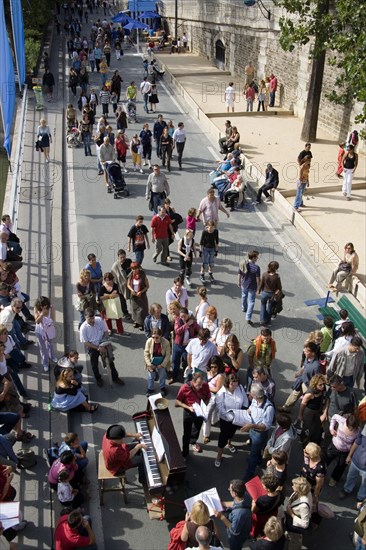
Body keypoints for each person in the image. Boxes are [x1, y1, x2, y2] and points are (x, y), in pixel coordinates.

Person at [79, 308, 124, 387]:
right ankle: (98, 378)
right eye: (90, 319)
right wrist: (98, 348)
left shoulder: (99, 320)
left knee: (110, 362)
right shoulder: (83, 328)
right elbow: (86, 342)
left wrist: (103, 343)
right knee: (94, 364)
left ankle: (115, 377)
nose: (92, 320)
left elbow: (106, 332)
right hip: (92, 346)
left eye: (93, 318)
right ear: (85, 317)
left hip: (102, 342)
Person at [241, 383, 275, 481]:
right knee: (255, 448)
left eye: (251, 393)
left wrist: (252, 425)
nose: (249, 395)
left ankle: (249, 474)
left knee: (253, 454)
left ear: (256, 395)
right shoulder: (255, 400)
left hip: (259, 433)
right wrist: (244, 414)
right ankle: (259, 460)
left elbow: (266, 426)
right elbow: (251, 409)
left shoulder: (268, 408)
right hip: (252, 430)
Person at [214, 374, 249, 467]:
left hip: (237, 418)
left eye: (236, 384)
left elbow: (245, 400)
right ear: (227, 384)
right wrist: (232, 418)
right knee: (223, 437)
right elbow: (220, 409)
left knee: (232, 433)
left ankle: (229, 444)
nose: (234, 387)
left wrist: (243, 413)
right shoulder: (221, 393)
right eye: (232, 385)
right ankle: (219, 456)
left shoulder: (240, 388)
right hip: (226, 420)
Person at [175, 372, 211, 456]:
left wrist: (204, 405)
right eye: (198, 385)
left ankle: (193, 442)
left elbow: (208, 397)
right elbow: (177, 402)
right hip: (189, 412)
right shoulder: (185, 387)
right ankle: (185, 452)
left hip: (200, 412)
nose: (201, 387)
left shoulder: (205, 385)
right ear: (193, 382)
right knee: (187, 433)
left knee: (197, 429)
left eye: (202, 384)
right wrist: (188, 407)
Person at [279, 341, 321, 412]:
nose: (304, 351)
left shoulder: (316, 366)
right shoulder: (307, 358)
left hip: (309, 386)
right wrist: (299, 373)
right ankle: (286, 408)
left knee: (308, 402)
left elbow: (318, 379)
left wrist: (315, 391)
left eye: (306, 351)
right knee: (294, 394)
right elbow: (304, 367)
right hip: (302, 381)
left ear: (313, 353)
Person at [214, 479, 252, 550]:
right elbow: (235, 504)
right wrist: (222, 503)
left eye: (230, 489)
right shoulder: (245, 495)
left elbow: (234, 531)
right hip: (244, 525)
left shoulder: (239, 515)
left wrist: (221, 517)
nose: (229, 490)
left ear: (235, 494)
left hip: (237, 537)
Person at [325, 413, 360, 487]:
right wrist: (331, 428)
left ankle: (334, 478)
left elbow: (355, 444)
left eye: (353, 428)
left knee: (341, 466)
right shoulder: (342, 420)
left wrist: (350, 456)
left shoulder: (358, 431)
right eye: (350, 427)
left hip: (345, 452)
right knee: (326, 460)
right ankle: (321, 474)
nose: (351, 429)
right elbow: (334, 416)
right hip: (334, 446)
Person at [171, 307, 200, 384]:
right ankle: (174, 377)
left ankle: (185, 378)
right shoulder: (178, 321)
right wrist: (186, 325)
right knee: (175, 361)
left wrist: (194, 338)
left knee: (186, 363)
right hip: (178, 345)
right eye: (181, 316)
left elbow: (199, 331)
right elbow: (177, 331)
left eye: (185, 316)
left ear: (188, 315)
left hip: (187, 346)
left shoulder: (193, 323)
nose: (183, 318)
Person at [297, 374, 327, 446]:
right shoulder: (310, 393)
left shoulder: (322, 390)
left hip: (318, 412)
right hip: (309, 413)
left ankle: (314, 443)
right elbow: (303, 404)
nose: (322, 386)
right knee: (307, 428)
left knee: (316, 429)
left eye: (323, 384)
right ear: (315, 384)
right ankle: (304, 443)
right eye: (320, 385)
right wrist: (300, 415)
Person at [339, 424, 366, 505]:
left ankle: (361, 496)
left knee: (365, 483)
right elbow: (357, 442)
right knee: (350, 476)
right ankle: (347, 489)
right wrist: (349, 455)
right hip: (355, 461)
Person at [250, 474, 283, 539]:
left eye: (263, 485)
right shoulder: (281, 495)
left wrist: (253, 501)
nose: (262, 485)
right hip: (272, 513)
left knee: (256, 528)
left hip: (261, 517)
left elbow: (253, 510)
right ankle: (264, 534)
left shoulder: (262, 500)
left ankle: (254, 536)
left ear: (267, 489)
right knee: (267, 526)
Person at [202, 356, 226, 443]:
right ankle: (213, 421)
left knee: (207, 414)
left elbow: (217, 389)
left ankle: (206, 434)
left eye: (215, 367)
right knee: (209, 412)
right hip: (205, 394)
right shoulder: (207, 372)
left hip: (214, 396)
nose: (213, 369)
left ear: (219, 366)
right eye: (211, 366)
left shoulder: (220, 376)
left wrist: (205, 387)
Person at [144, 328, 171, 397]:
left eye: (157, 337)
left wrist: (162, 365)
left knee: (162, 375)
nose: (155, 339)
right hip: (152, 362)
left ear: (161, 336)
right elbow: (146, 354)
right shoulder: (149, 341)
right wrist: (149, 365)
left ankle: (162, 387)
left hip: (161, 362)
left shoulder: (166, 342)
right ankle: (150, 388)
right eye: (153, 337)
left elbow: (168, 355)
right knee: (151, 376)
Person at [34, 296, 57, 372]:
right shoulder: (36, 308)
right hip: (40, 330)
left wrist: (47, 319)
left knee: (50, 343)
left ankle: (52, 356)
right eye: (42, 305)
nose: (44, 306)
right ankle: (45, 363)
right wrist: (42, 315)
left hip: (49, 329)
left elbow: (53, 319)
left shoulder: (51, 307)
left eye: (45, 305)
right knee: (43, 348)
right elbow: (37, 321)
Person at [238, 250, 260, 325]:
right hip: (252, 286)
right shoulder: (256, 267)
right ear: (253, 258)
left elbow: (239, 274)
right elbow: (258, 279)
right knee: (251, 302)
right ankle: (248, 317)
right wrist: (258, 287)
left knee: (244, 296)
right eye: (257, 257)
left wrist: (239, 282)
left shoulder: (243, 263)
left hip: (244, 284)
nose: (257, 258)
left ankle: (244, 308)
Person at [126, 262, 149, 330]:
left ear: (138, 268)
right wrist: (132, 290)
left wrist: (141, 292)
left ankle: (142, 323)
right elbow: (128, 284)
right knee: (134, 309)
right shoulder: (131, 274)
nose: (134, 270)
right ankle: (136, 321)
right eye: (133, 269)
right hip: (134, 295)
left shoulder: (143, 274)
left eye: (135, 269)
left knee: (142, 310)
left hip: (141, 295)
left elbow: (147, 286)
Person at [258, 261, 282, 327]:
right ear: (276, 268)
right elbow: (279, 287)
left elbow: (261, 284)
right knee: (270, 307)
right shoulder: (277, 276)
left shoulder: (264, 274)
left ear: (268, 266)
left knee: (263, 306)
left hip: (264, 293)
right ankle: (268, 321)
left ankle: (262, 320)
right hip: (272, 294)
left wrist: (259, 290)